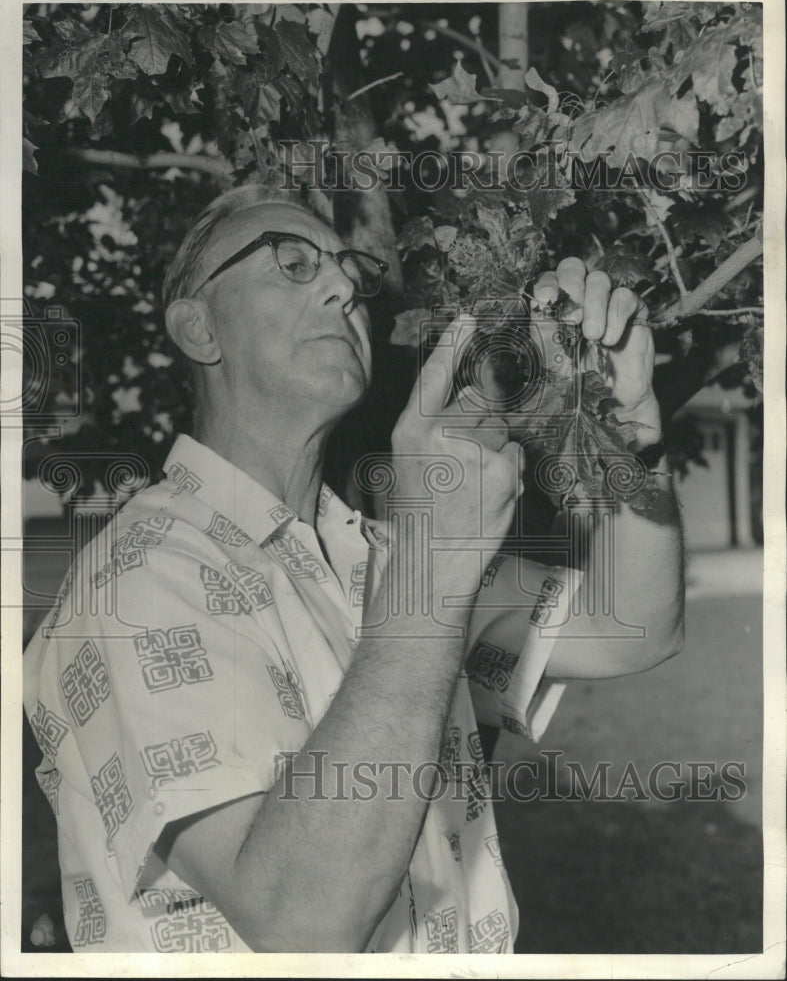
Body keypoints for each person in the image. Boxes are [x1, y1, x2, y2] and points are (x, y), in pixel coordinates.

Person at [23, 183, 685, 953]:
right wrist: (436, 571)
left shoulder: (379, 555)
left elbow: (633, 630)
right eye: (293, 264)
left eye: (347, 269)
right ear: (197, 327)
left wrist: (627, 432)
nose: (343, 287)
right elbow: (300, 920)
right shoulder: (135, 579)